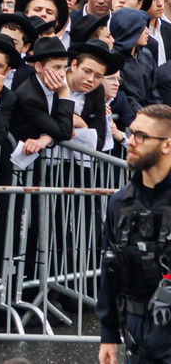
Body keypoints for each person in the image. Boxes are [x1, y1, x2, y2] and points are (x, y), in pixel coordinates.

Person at [98, 104, 171, 364]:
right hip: (137, 334)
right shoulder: (120, 202)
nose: (130, 141)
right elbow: (110, 267)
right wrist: (108, 333)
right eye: (131, 133)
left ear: (166, 145)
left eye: (141, 136)